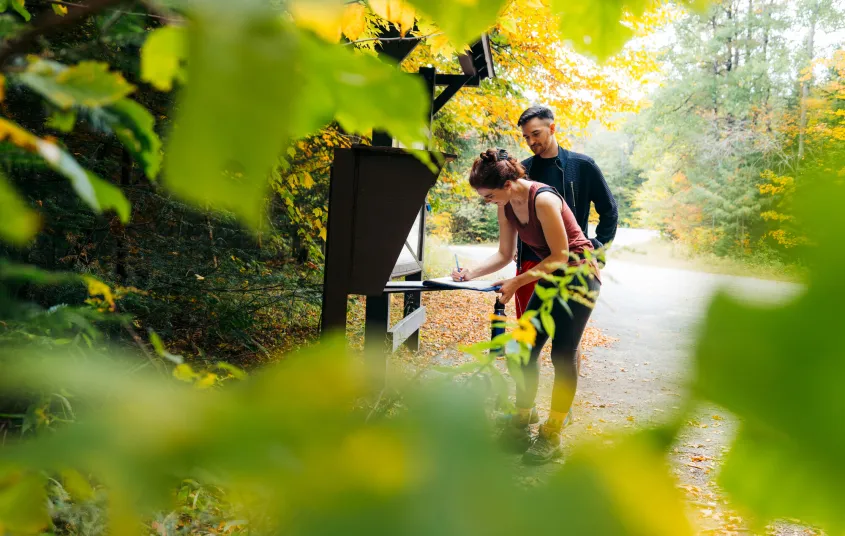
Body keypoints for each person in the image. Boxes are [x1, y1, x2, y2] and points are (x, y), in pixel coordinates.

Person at [451, 148, 601, 465]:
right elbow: (505, 255)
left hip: (578, 277)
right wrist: (469, 273)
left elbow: (561, 256)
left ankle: (552, 435)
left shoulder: (543, 199)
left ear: (507, 185)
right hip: (551, 276)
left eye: (488, 195)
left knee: (562, 354)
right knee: (524, 351)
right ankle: (521, 422)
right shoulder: (505, 206)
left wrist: (516, 283)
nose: (487, 201)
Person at [514, 105, 617, 319]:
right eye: (526, 137)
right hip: (531, 263)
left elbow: (609, 210)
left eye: (536, 134)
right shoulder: (523, 171)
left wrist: (598, 249)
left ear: (552, 128)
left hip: (572, 263)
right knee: (528, 335)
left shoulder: (582, 166)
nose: (532, 142)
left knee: (567, 339)